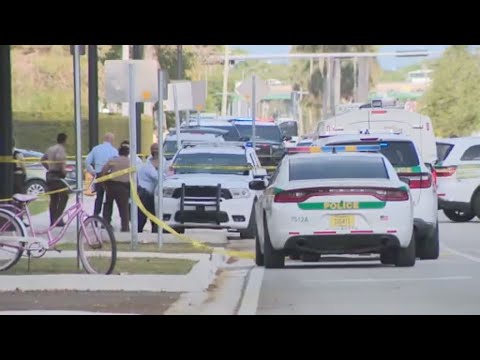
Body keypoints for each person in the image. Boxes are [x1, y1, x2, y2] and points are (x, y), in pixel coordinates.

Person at [85, 133, 118, 216]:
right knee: (109, 199)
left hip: (99, 175)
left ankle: (96, 217)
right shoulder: (114, 151)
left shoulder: (96, 149)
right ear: (112, 140)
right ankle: (106, 219)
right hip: (110, 176)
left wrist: (93, 172)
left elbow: (87, 161)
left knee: (99, 197)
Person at [101, 145, 131, 232]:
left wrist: (104, 183)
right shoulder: (130, 162)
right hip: (124, 187)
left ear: (119, 152)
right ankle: (125, 227)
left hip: (112, 185)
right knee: (124, 208)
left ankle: (106, 223)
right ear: (127, 153)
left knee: (108, 205)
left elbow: (104, 170)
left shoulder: (113, 160)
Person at [41, 133, 69, 227]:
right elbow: (59, 158)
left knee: (54, 198)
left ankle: (52, 220)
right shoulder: (60, 149)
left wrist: (48, 167)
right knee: (64, 196)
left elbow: (42, 159)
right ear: (64, 140)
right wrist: (63, 170)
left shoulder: (50, 148)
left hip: (50, 175)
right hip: (57, 175)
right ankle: (58, 218)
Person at [137, 143, 163, 233]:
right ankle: (138, 233)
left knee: (154, 216)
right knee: (143, 216)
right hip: (145, 194)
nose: (155, 151)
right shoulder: (148, 165)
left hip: (154, 194)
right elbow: (158, 177)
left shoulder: (162, 161)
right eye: (154, 149)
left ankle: (154, 233)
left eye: (157, 148)